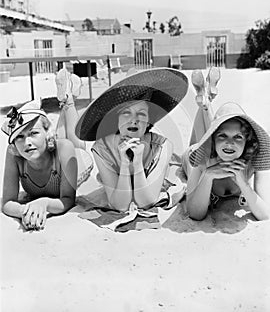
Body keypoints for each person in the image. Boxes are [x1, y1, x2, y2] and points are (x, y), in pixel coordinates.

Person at [75, 67, 189, 213]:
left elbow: (146, 203)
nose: (134, 120)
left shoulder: (162, 146)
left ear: (149, 121)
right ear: (116, 120)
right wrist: (124, 164)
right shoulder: (102, 149)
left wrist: (137, 163)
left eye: (141, 114)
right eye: (126, 113)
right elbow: (120, 206)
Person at [1, 68, 93, 231]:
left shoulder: (63, 148)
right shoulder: (14, 153)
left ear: (47, 134)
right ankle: (65, 94)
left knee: (74, 143)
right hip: (53, 152)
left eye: (33, 133)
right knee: (61, 139)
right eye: (19, 137)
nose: (26, 142)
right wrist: (25, 210)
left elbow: (67, 200)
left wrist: (43, 203)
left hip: (77, 164)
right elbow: (7, 203)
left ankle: (68, 99)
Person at [182, 68, 270, 221]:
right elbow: (195, 214)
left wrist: (244, 185)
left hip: (213, 146)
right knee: (201, 138)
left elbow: (266, 214)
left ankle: (206, 100)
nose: (230, 142)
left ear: (247, 141)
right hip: (194, 155)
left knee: (217, 129)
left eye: (238, 137)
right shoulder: (201, 160)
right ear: (213, 140)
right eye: (223, 136)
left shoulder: (255, 160)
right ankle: (206, 104)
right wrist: (208, 176)